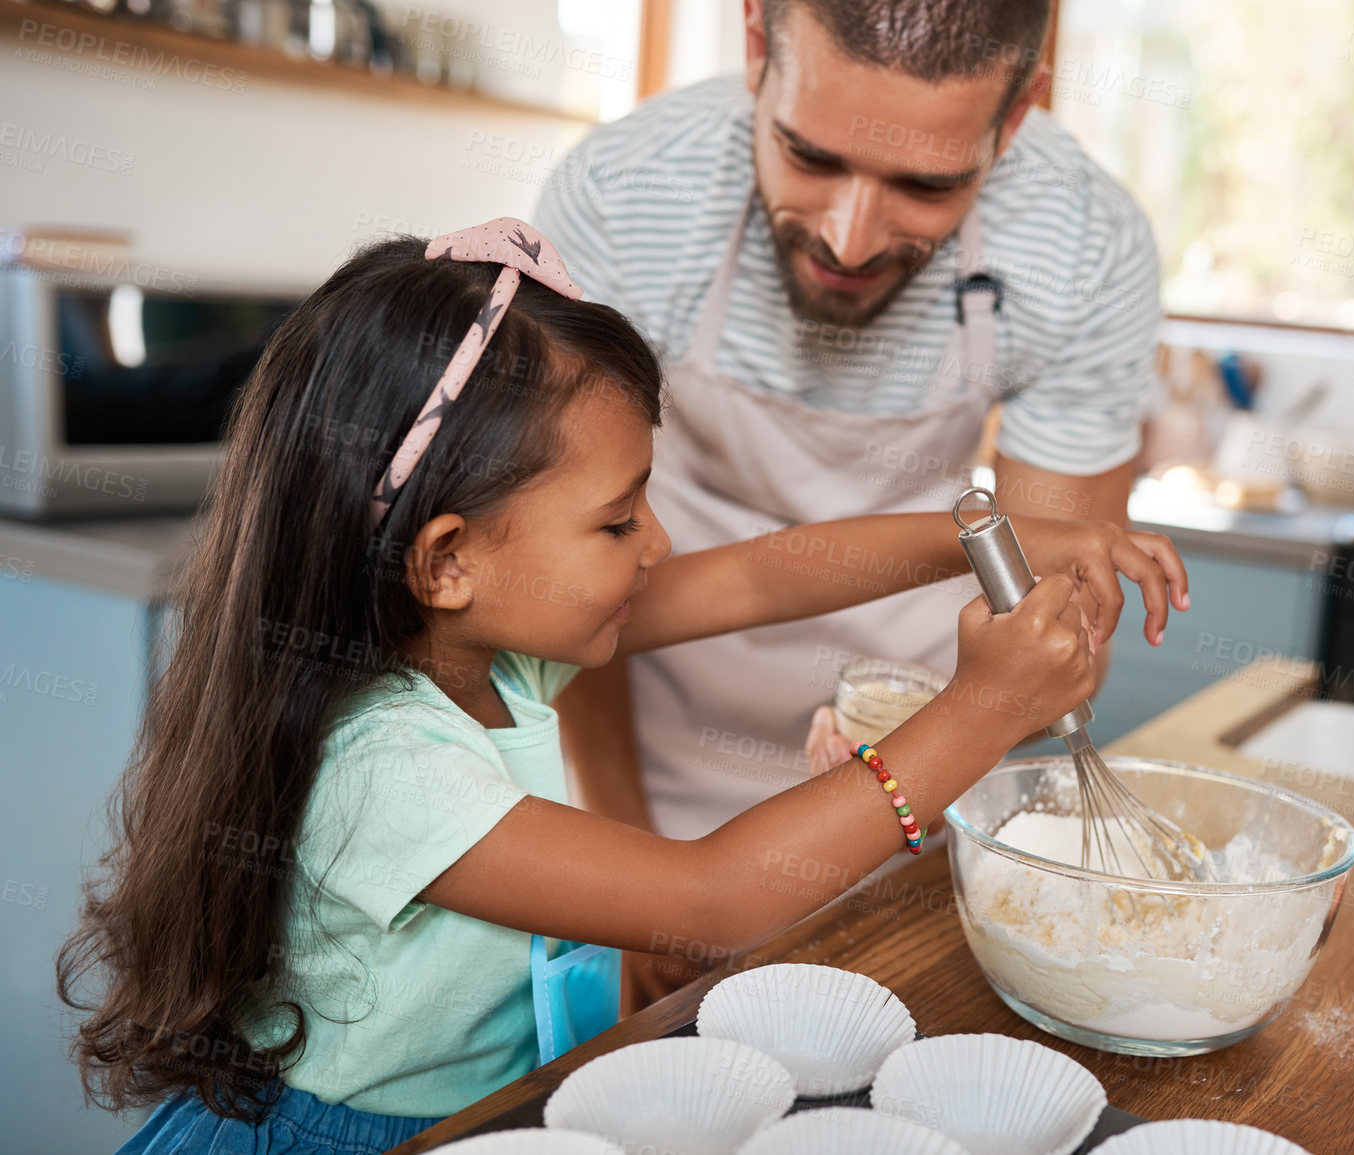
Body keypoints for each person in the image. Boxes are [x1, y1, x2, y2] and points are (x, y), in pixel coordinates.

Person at [57, 219, 1187, 1155]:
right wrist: (981, 711)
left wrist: (988, 522)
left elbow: (761, 573)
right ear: (447, 558)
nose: (654, 545)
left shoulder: (489, 647)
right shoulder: (380, 768)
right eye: (616, 519)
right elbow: (713, 894)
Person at [536, 0, 1170, 1005]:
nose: (849, 234)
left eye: (926, 184)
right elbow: (560, 595)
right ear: (757, 47)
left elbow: (1056, 642)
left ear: (1014, 120)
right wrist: (626, 855)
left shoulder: (1083, 246)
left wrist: (945, 732)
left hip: (921, 779)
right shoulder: (624, 198)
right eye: (809, 155)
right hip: (647, 774)